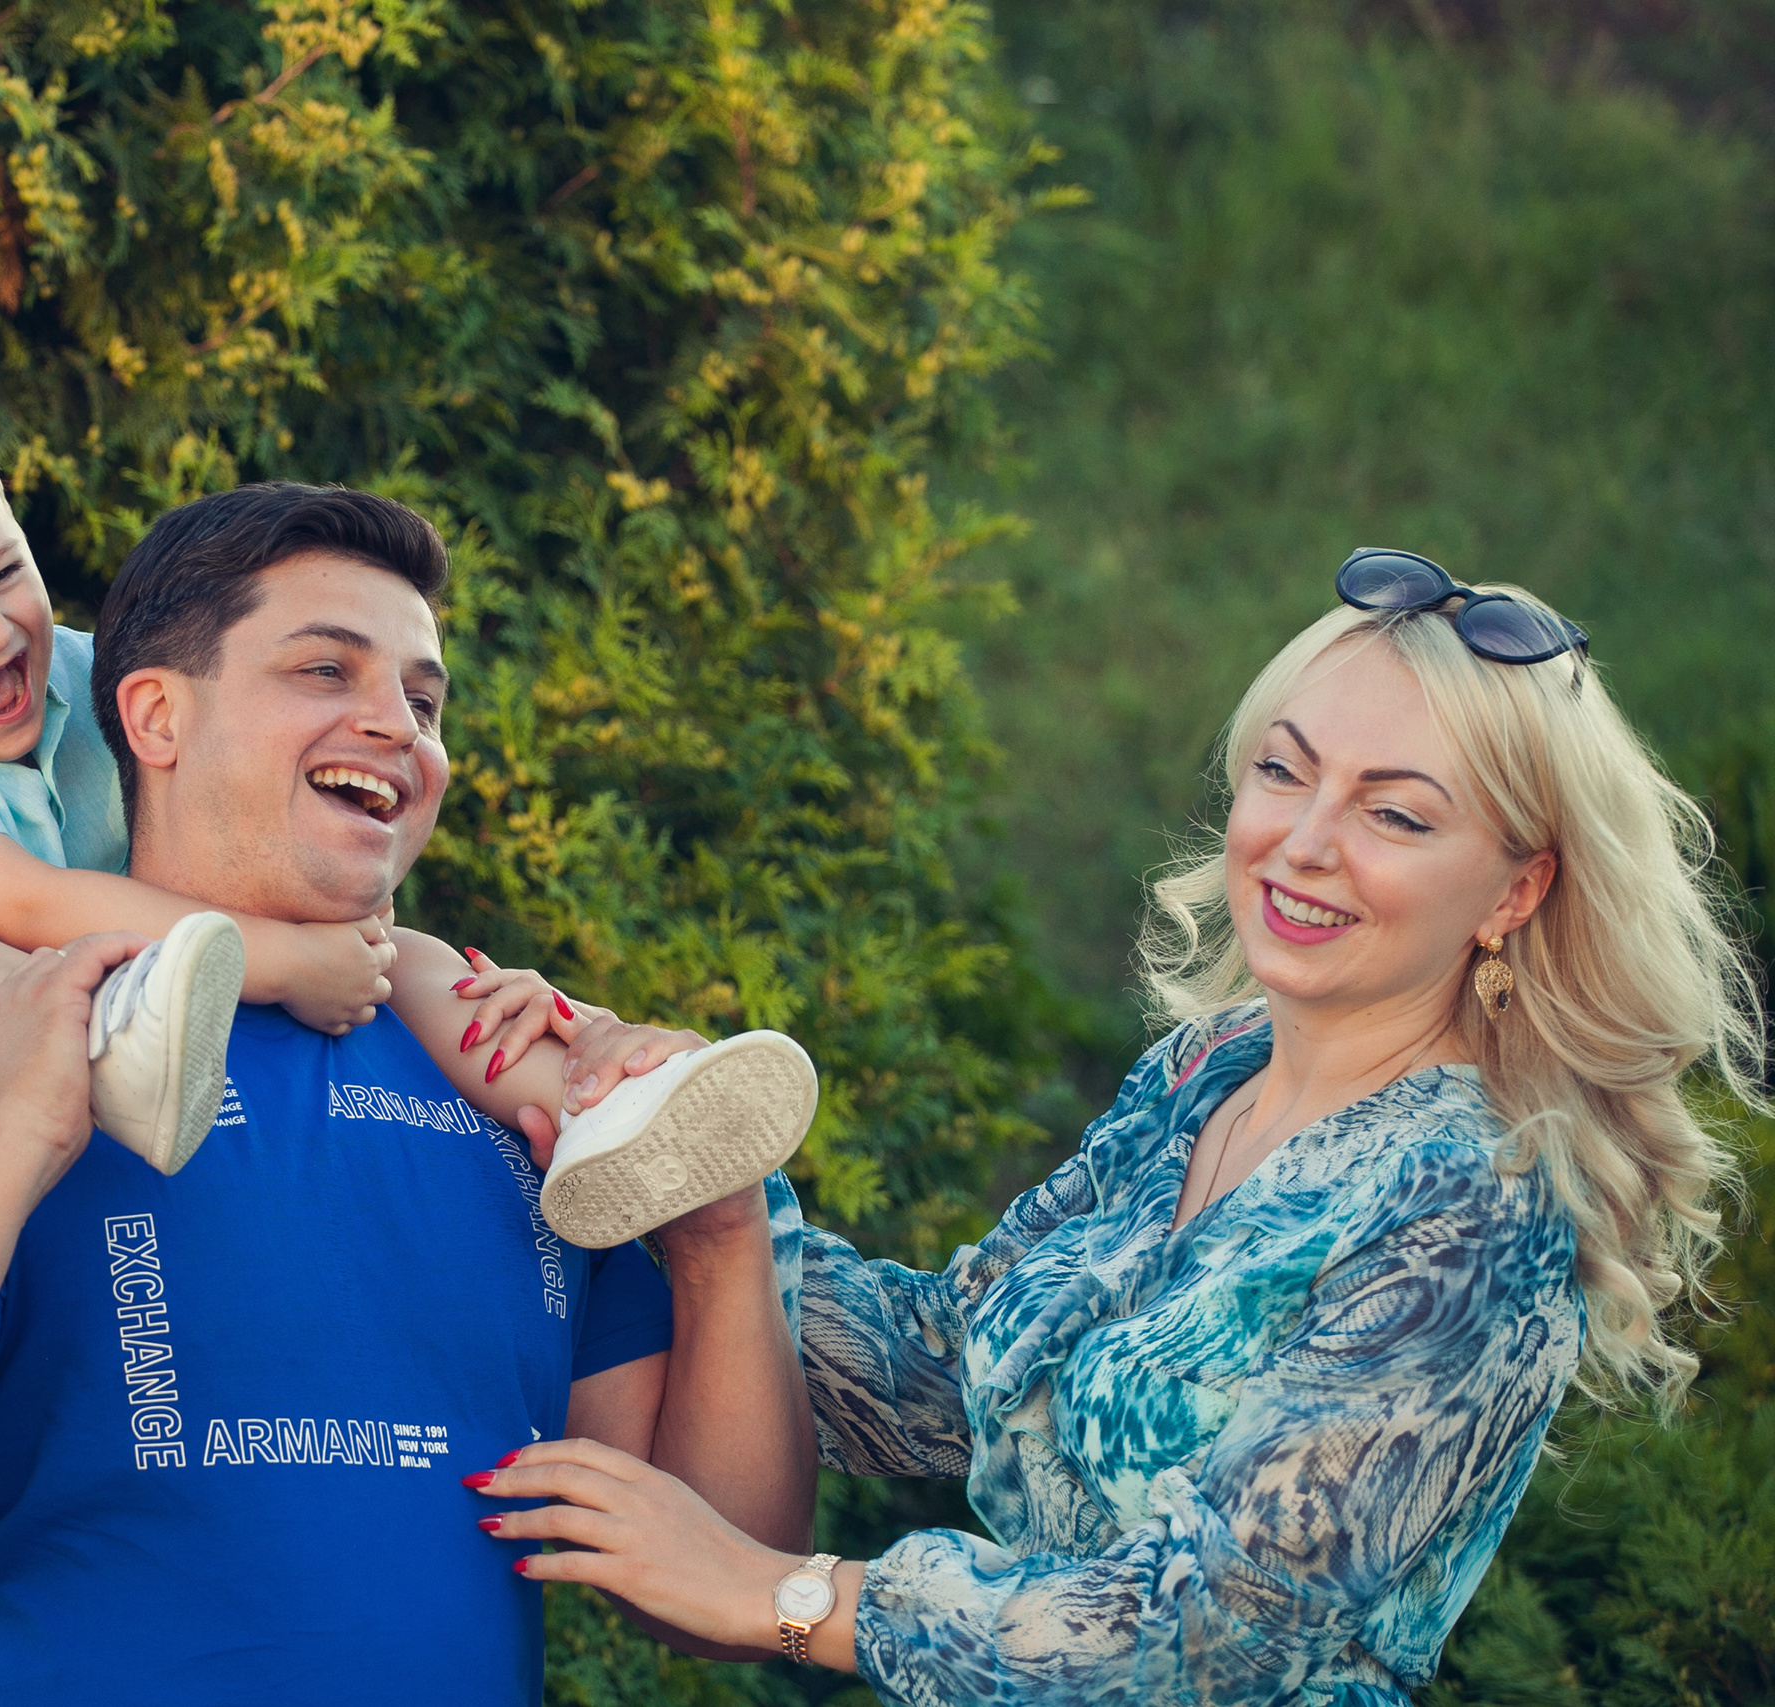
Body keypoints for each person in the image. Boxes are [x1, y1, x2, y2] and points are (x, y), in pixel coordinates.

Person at [457, 550, 1764, 1705]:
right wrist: (702, 1174)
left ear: (1516, 887)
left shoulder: (1476, 1198)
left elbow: (1213, 1637)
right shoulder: (1207, 1074)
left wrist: (785, 1592)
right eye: (1283, 771)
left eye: (1396, 812)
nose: (1304, 842)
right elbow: (947, 1368)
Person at [0, 480, 820, 1702]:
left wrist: (718, 1232)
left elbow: (734, 1598)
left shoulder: (514, 1091)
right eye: (326, 672)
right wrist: (21, 1139)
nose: (397, 727)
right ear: (151, 715)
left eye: (423, 702)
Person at [0, 383, 817, 1240]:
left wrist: (361, 938)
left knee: (402, 953)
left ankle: (598, 1101)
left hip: (147, 979)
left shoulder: (86, 676)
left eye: (5, 575)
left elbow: (253, 792)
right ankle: (108, 1048)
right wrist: (283, 957)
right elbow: (23, 897)